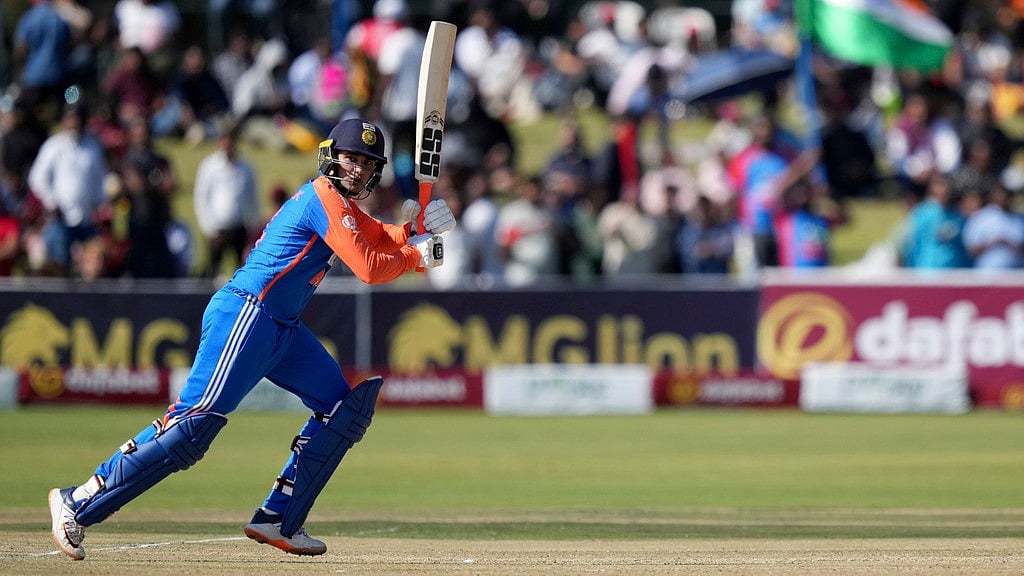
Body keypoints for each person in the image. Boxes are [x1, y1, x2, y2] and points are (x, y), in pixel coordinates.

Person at [48, 118, 456, 560]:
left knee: (344, 411)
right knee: (191, 430)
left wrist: (418, 230)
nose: (357, 169)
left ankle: (278, 519)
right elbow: (372, 266)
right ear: (330, 156)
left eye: (366, 163)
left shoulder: (341, 205)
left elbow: (382, 237)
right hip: (247, 314)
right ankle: (79, 500)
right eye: (350, 158)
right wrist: (418, 253)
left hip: (281, 328)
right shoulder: (322, 196)